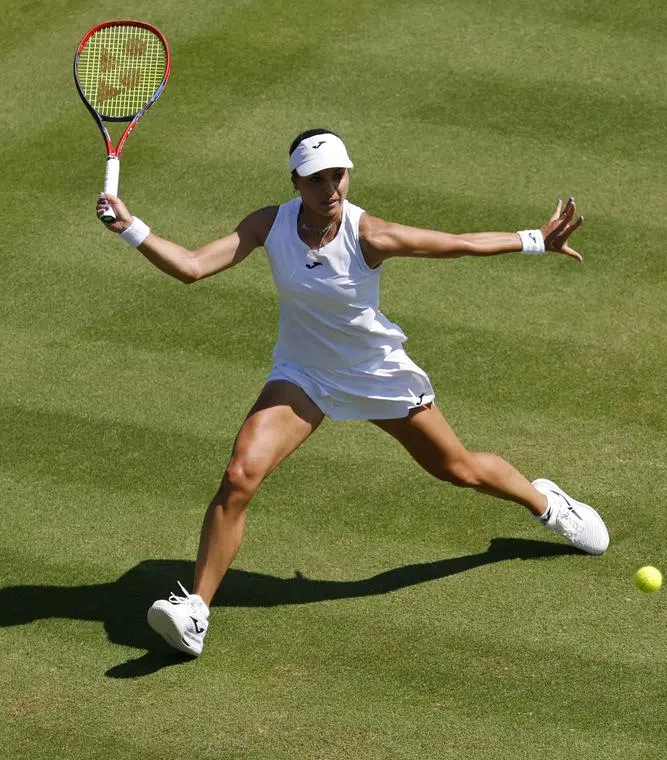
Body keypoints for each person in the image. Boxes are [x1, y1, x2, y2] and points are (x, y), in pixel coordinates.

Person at [95, 129, 609, 658]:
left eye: (337, 174)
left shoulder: (371, 234)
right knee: (240, 474)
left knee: (459, 469)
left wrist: (533, 239)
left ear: (348, 174)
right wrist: (131, 228)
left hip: (376, 375)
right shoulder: (267, 224)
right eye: (316, 178)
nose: (329, 187)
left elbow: (455, 244)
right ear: (295, 181)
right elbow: (193, 267)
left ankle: (546, 503)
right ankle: (196, 611)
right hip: (304, 375)